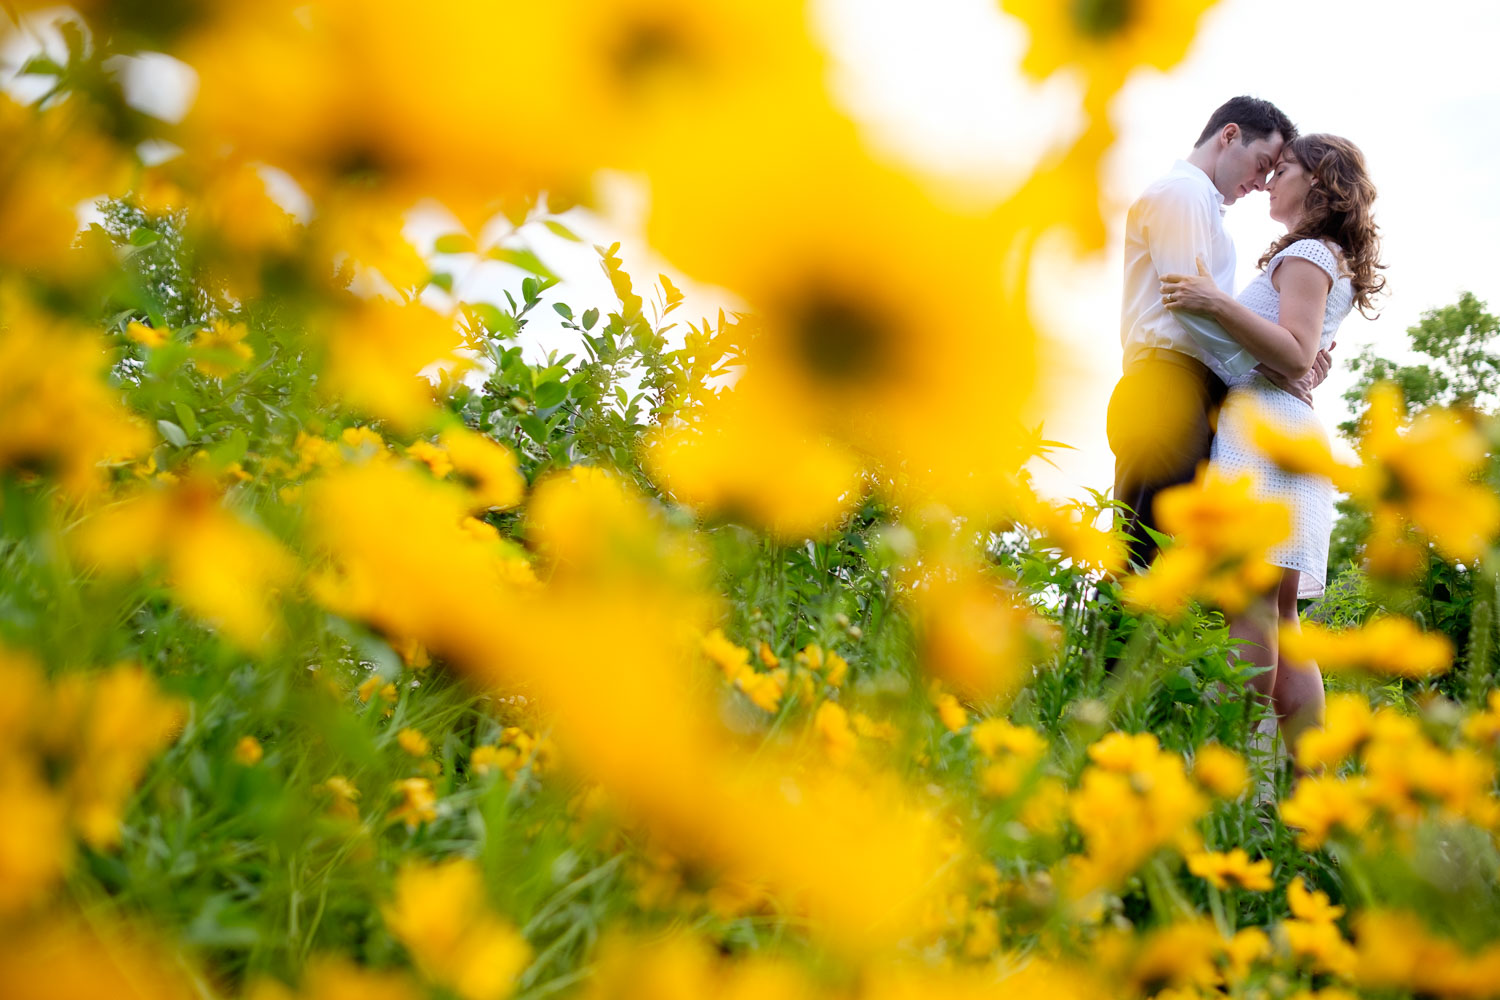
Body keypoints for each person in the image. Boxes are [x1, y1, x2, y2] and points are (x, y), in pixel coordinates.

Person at [1160, 134, 1386, 761]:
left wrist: (1212, 302)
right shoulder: (1320, 255)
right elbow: (1301, 353)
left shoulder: (1310, 252)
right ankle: (1308, 787)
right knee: (1279, 616)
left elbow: (1291, 348)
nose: (1269, 181)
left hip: (1268, 431)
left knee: (1256, 606)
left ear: (1317, 181)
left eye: (1281, 169)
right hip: (1279, 425)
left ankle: (1241, 764)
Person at [1110, 96, 1327, 572]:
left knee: (1170, 560)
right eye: (1262, 164)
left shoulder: (1204, 209)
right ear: (1229, 136)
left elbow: (1216, 310)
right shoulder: (1183, 195)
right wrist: (1275, 363)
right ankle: (1111, 648)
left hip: (1191, 392)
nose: (1261, 183)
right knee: (1143, 556)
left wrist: (1291, 350)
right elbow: (1187, 303)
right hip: (1166, 386)